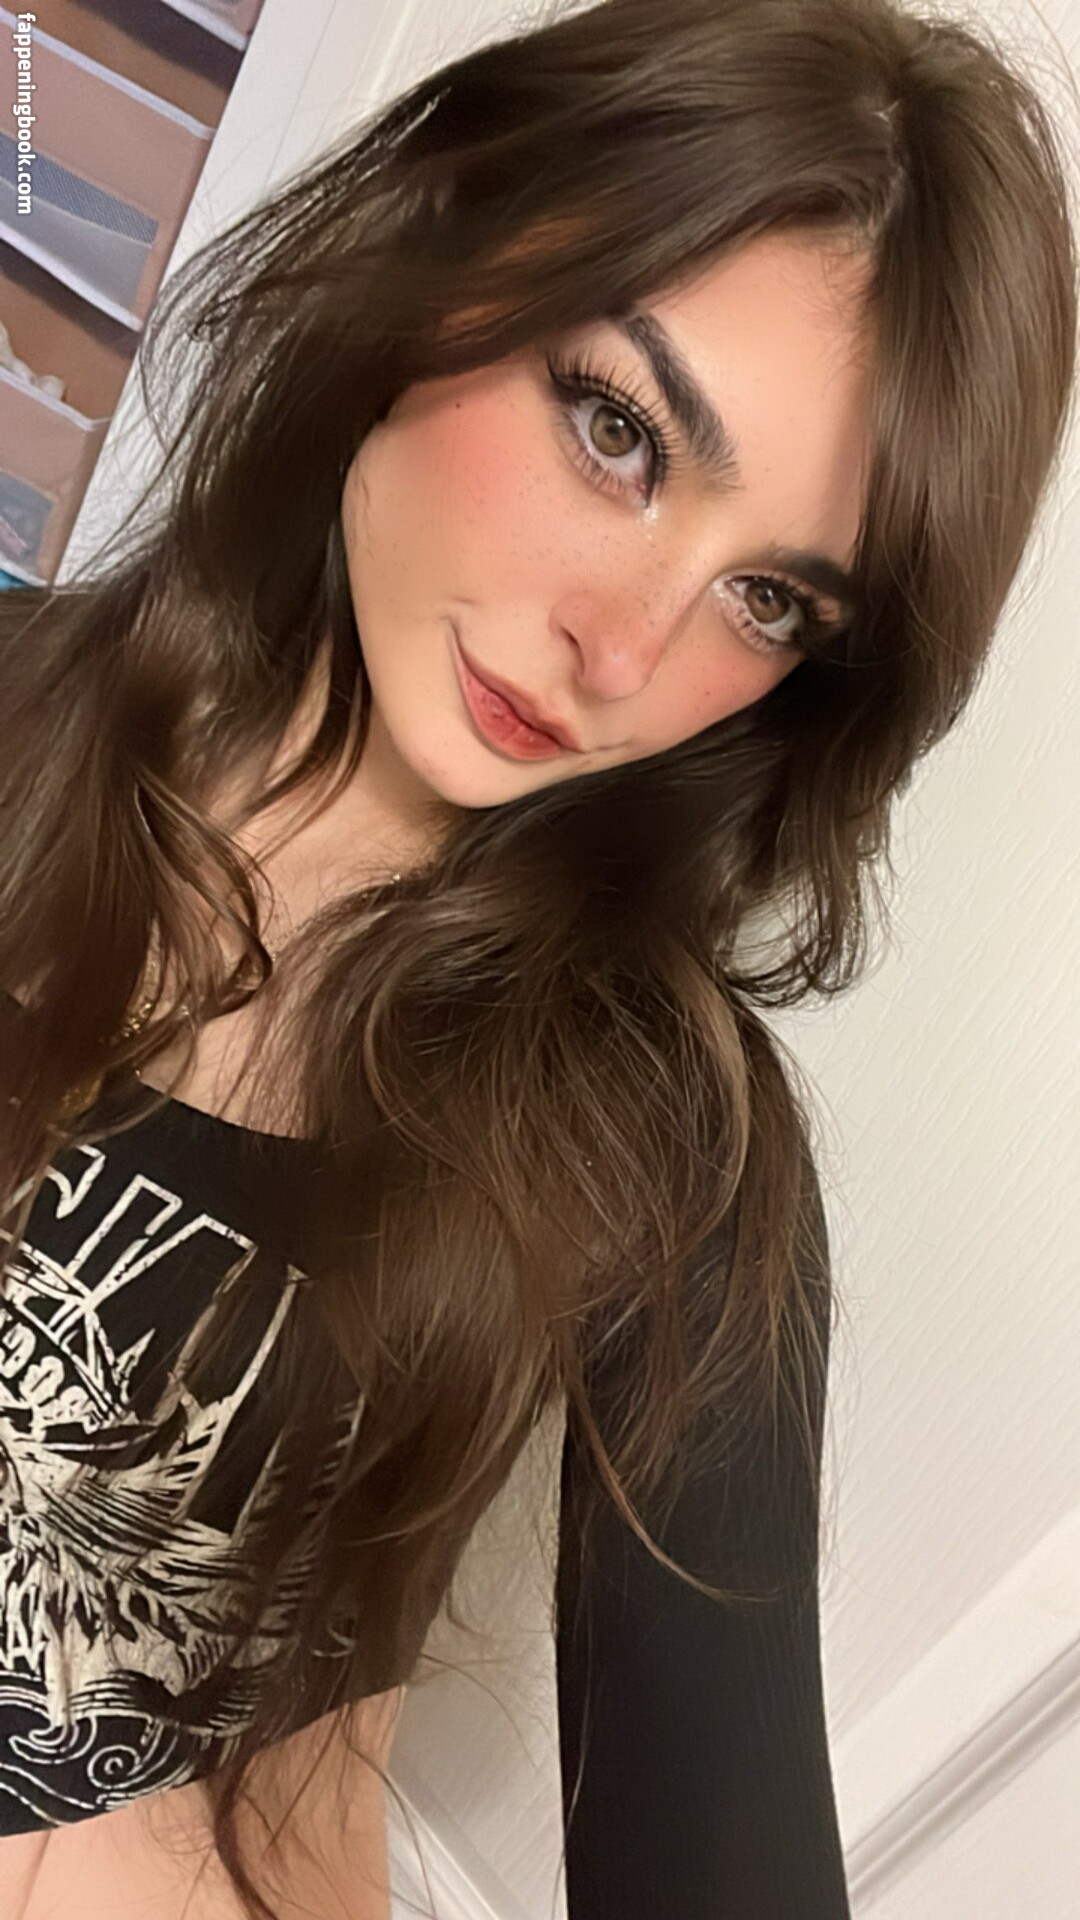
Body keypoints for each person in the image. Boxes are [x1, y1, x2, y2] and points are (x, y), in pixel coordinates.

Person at [0, 0, 1075, 1913]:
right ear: (447, 251)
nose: (627, 650)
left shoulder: (669, 1148)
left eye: (769, 597)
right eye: (619, 429)